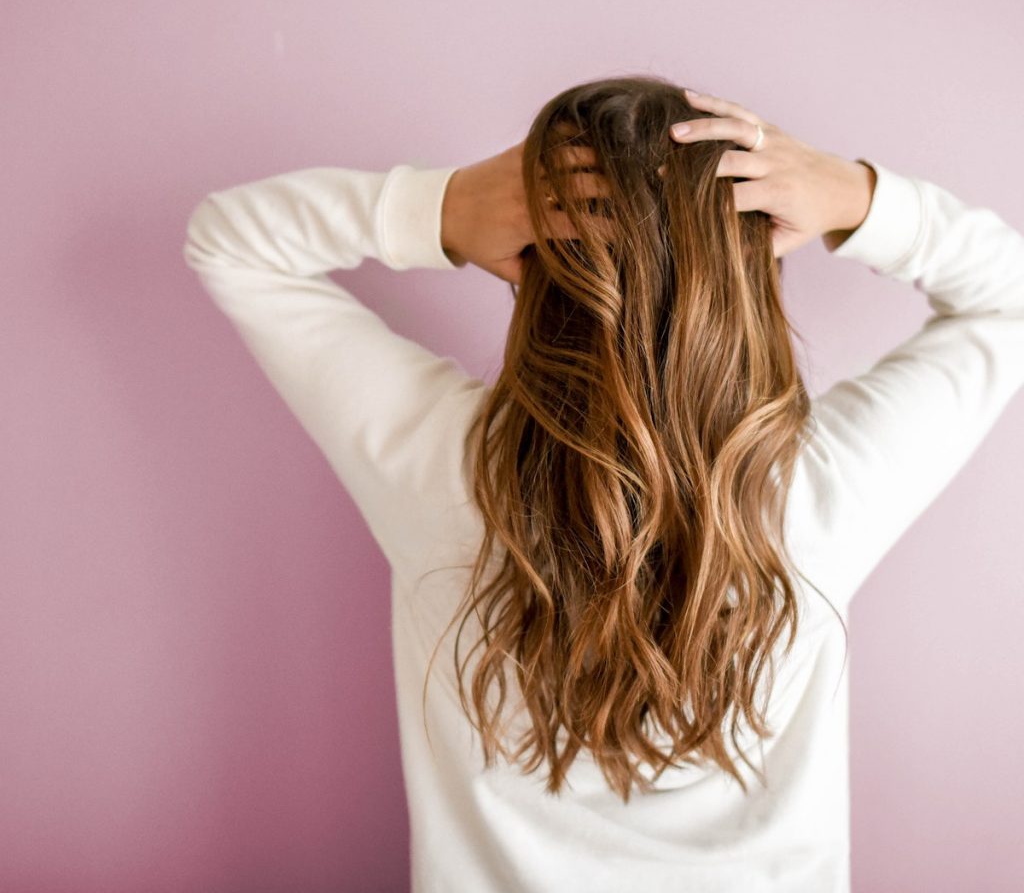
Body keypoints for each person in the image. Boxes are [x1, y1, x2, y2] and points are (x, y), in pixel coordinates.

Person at [182, 76, 1024, 892]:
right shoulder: (818, 490)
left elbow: (229, 240)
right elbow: (1008, 300)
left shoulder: (441, 465)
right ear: (745, 274)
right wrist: (853, 196)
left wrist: (441, 208)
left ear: (534, 259)